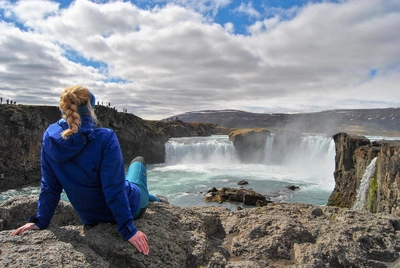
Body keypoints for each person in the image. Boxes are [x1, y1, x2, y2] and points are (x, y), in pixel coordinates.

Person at [10, 85, 165, 255]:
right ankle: (154, 198)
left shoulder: (50, 138)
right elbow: (113, 189)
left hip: (89, 217)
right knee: (138, 163)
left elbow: (50, 186)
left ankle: (154, 198)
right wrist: (129, 230)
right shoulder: (105, 138)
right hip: (131, 207)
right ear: (91, 109)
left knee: (127, 182)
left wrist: (40, 221)